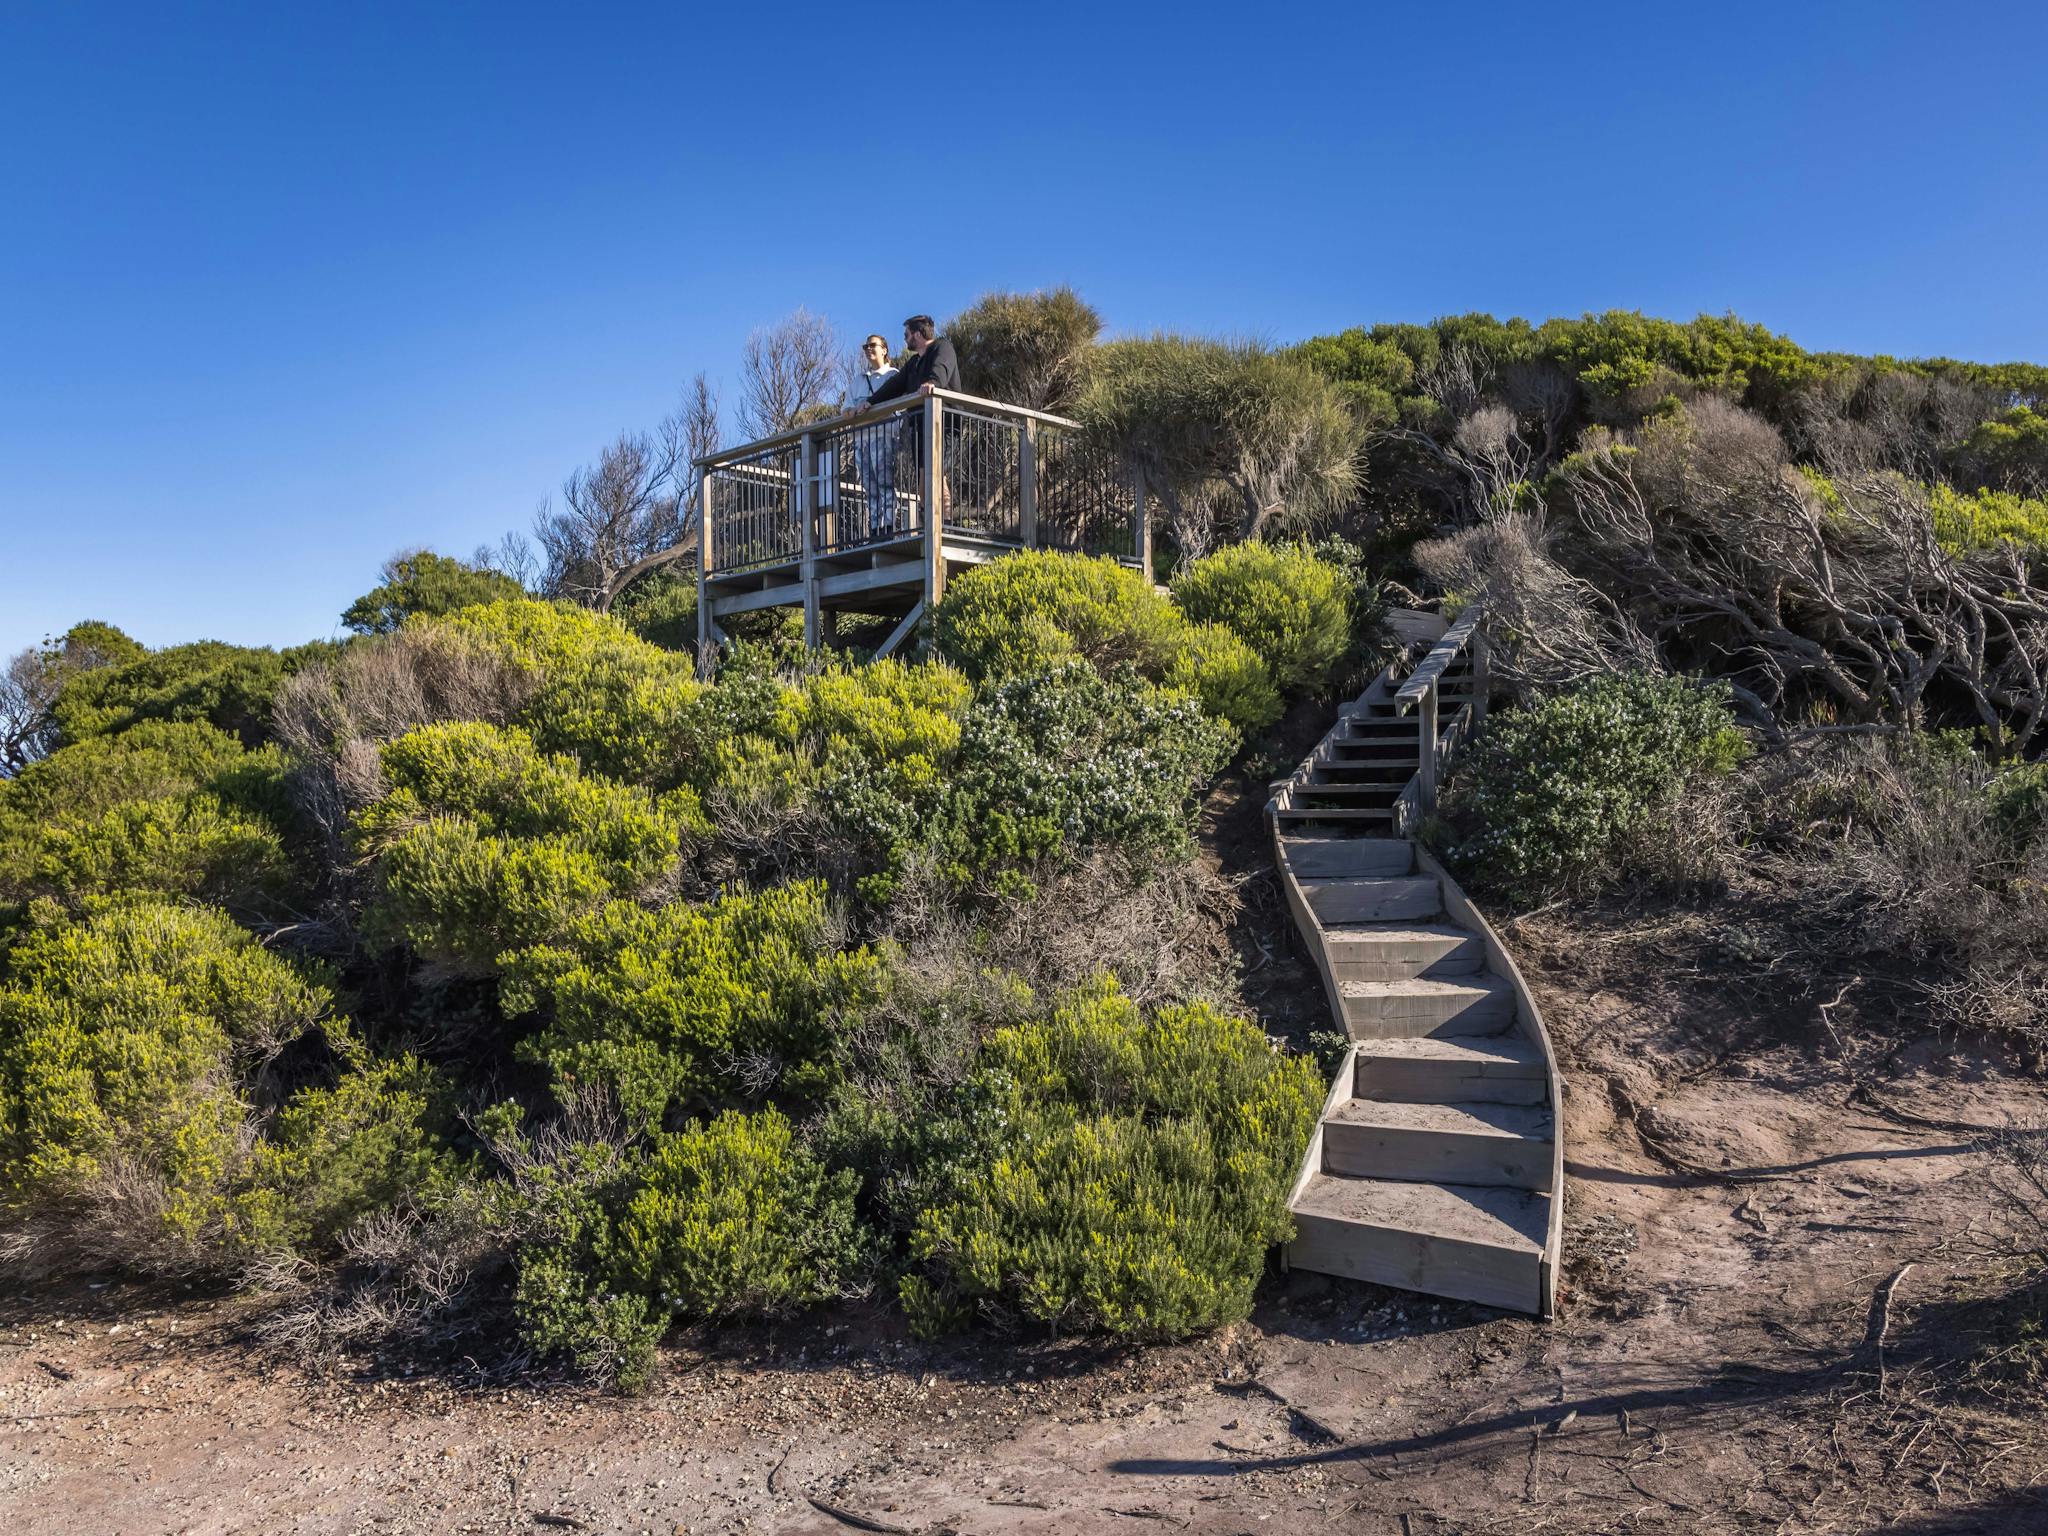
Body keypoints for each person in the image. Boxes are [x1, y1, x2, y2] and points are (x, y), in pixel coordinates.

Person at [865, 315, 960, 522]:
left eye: (907, 334)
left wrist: (932, 383)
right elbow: (895, 386)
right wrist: (870, 402)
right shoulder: (914, 362)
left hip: (944, 425)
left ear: (917, 334)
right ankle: (930, 523)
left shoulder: (943, 348)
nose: (905, 339)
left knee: (936, 474)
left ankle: (945, 523)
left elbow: (940, 372)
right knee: (925, 477)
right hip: (921, 426)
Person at [846, 334, 900, 540]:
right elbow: (846, 409)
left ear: (884, 349)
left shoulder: (892, 375)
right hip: (861, 439)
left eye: (872, 345)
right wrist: (852, 412)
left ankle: (887, 527)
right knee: (869, 486)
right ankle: (875, 528)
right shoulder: (859, 380)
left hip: (884, 436)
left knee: (885, 482)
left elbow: (896, 406)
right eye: (865, 346)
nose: (868, 349)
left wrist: (868, 410)